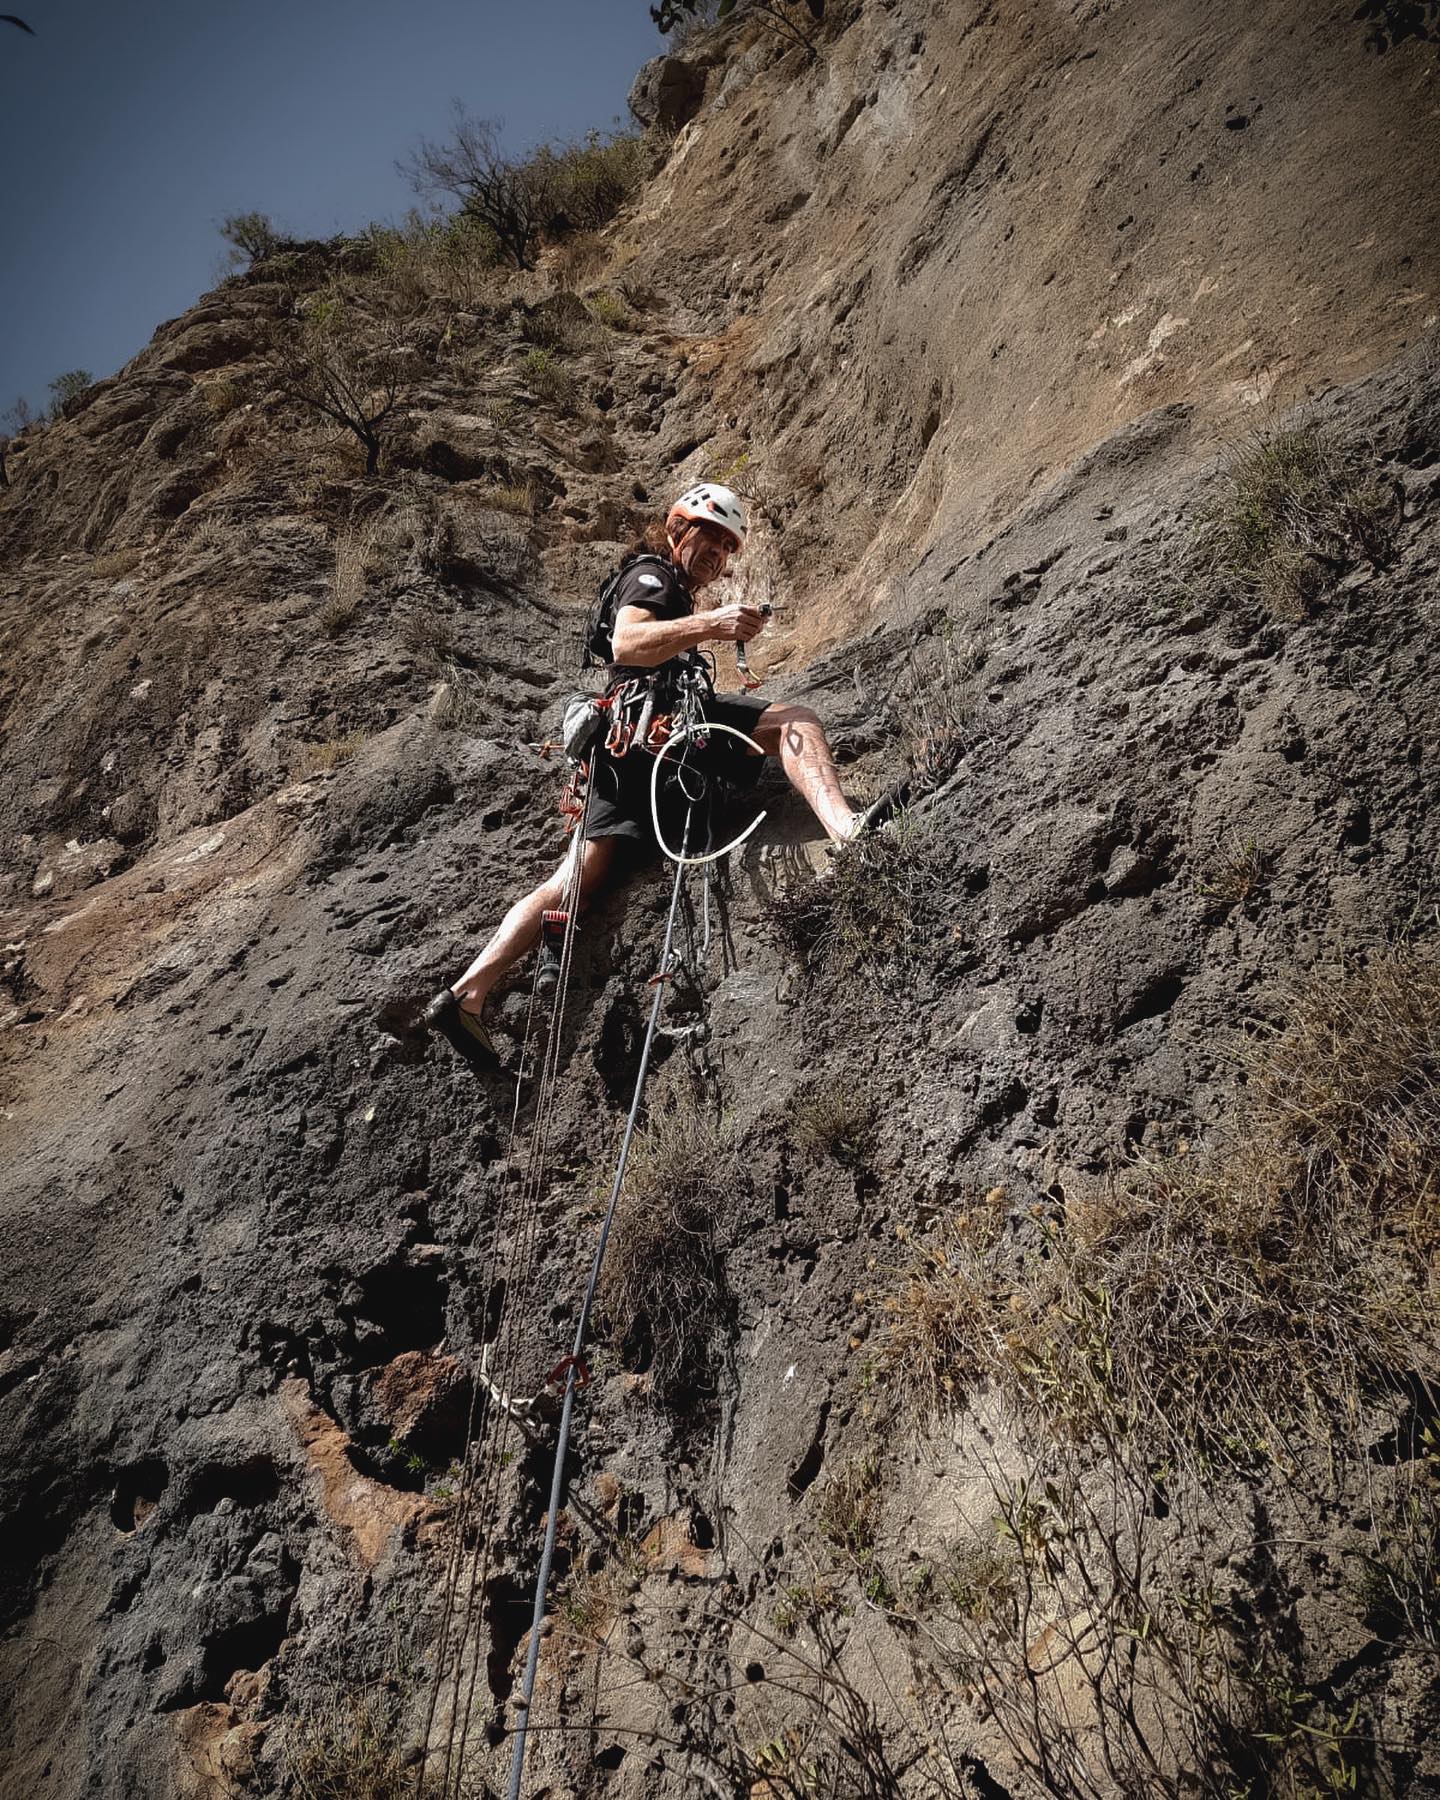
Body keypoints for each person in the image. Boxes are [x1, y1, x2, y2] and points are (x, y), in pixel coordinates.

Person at [424, 482, 885, 1070]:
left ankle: (468, 993)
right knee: (793, 719)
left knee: (572, 883)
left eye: (726, 548)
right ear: (676, 529)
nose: (717, 555)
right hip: (659, 729)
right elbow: (630, 640)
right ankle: (844, 830)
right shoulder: (653, 575)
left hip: (621, 764)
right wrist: (713, 625)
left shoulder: (670, 590)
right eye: (709, 537)